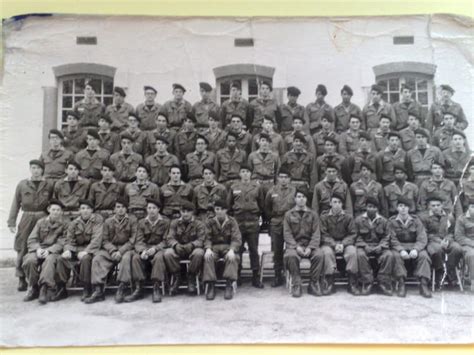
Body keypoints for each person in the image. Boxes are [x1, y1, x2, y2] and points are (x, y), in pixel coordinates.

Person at [8, 160, 53, 291]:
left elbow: (53, 203)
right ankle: (21, 278)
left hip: (43, 216)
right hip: (27, 217)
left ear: (42, 170)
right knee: (22, 247)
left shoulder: (48, 185)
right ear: (30, 169)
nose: (36, 171)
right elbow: (15, 203)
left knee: (44, 244)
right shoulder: (22, 184)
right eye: (33, 168)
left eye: (38, 168)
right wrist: (11, 222)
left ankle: (43, 278)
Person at [85, 198, 138, 304]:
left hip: (126, 249)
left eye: (123, 207)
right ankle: (98, 289)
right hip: (111, 249)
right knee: (98, 258)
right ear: (114, 209)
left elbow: (133, 240)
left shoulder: (132, 220)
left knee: (126, 258)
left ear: (126, 209)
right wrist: (113, 250)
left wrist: (121, 251)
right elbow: (104, 240)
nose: (120, 210)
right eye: (118, 207)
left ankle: (122, 287)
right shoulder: (108, 221)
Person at [56, 199, 103, 301]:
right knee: (61, 259)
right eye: (82, 208)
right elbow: (69, 239)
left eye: (87, 208)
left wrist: (87, 251)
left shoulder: (97, 221)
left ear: (92, 210)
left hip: (91, 250)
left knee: (85, 259)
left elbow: (97, 239)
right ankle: (61, 287)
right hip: (76, 249)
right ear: (79, 211)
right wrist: (68, 250)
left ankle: (86, 287)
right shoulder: (74, 223)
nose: (85, 211)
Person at [22, 200, 68, 304]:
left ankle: (44, 288)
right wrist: (38, 249)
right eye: (53, 210)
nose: (55, 212)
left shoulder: (65, 224)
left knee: (49, 261)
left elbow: (62, 242)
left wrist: (49, 250)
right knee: (29, 260)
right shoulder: (40, 222)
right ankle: (33, 287)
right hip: (38, 249)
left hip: (54, 251)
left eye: (58, 210)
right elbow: (32, 239)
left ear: (61, 212)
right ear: (49, 210)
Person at [228, 164, 265, 288]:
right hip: (238, 223)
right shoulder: (234, 187)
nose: (245, 174)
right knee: (237, 249)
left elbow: (262, 204)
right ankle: (237, 276)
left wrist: (261, 220)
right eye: (243, 171)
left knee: (254, 250)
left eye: (247, 172)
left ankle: (255, 277)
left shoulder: (257, 187)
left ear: (251, 174)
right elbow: (229, 205)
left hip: (252, 222)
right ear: (239, 174)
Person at [389, 196, 432, 298]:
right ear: (397, 208)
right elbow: (392, 239)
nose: (403, 208)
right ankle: (401, 283)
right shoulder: (392, 221)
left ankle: (423, 284)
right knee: (395, 256)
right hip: (399, 246)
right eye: (400, 206)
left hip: (414, 245)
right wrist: (401, 250)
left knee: (424, 256)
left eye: (406, 206)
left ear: (409, 208)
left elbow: (422, 237)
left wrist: (416, 249)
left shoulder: (416, 220)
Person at [283, 189, 323, 297]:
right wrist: (296, 247)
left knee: (319, 255)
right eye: (299, 196)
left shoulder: (313, 214)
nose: (301, 199)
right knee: (291, 256)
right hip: (295, 245)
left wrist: (310, 247)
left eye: (304, 197)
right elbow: (287, 234)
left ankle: (313, 283)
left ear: (306, 199)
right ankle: (297, 284)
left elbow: (316, 233)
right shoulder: (288, 214)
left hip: (310, 245)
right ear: (295, 199)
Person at [128, 198, 170, 303]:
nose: (151, 210)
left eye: (154, 208)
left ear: (159, 209)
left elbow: (166, 240)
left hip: (159, 248)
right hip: (145, 248)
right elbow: (138, 241)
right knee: (136, 258)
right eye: (149, 208)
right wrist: (142, 251)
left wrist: (155, 249)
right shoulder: (141, 222)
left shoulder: (165, 222)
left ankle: (156, 287)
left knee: (159, 257)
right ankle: (139, 287)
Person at [320, 194, 359, 295]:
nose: (337, 205)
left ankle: (352, 282)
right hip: (329, 243)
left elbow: (353, 234)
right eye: (334, 202)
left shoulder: (348, 217)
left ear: (342, 204)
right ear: (330, 203)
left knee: (352, 253)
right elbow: (323, 234)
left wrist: (343, 244)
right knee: (327, 253)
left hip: (345, 243)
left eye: (339, 202)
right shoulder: (324, 217)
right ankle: (329, 282)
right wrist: (334, 244)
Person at [164, 201, 206, 296]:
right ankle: (177, 277)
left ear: (193, 212)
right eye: (183, 211)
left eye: (188, 211)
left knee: (199, 253)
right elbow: (169, 237)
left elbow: (201, 239)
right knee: (168, 253)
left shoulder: (199, 224)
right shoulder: (174, 223)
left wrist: (192, 245)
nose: (185, 214)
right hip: (178, 249)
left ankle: (191, 277)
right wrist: (175, 245)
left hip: (192, 249)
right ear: (180, 212)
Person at [203, 199, 242, 300]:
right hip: (214, 248)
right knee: (208, 257)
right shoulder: (210, 221)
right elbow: (207, 237)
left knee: (233, 257)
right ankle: (211, 285)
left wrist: (232, 250)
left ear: (226, 210)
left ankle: (228, 285)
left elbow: (236, 238)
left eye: (221, 209)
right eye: (216, 209)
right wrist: (208, 248)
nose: (218, 211)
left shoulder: (232, 221)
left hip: (227, 247)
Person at [354, 197, 394, 296]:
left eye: (374, 207)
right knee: (360, 255)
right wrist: (364, 246)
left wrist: (381, 246)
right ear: (365, 207)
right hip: (364, 246)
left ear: (377, 209)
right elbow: (356, 236)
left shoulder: (384, 221)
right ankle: (367, 282)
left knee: (389, 255)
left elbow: (387, 236)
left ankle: (383, 282)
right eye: (369, 207)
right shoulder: (358, 220)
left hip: (379, 246)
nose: (371, 209)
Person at [419, 194, 459, 289]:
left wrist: (447, 240)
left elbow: (452, 231)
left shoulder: (449, 217)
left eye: (438, 205)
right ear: (429, 206)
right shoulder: (424, 217)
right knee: (437, 250)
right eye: (433, 206)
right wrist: (439, 241)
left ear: (442, 205)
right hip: (432, 241)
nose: (436, 208)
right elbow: (424, 233)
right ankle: (439, 273)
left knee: (457, 249)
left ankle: (450, 272)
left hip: (447, 240)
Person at [264, 167, 296, 287]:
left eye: (286, 177)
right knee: (277, 251)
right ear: (277, 178)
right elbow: (267, 208)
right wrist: (272, 218)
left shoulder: (295, 190)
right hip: (276, 222)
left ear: (290, 179)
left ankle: (291, 273)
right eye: (281, 177)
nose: (283, 180)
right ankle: (278, 275)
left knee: (291, 249)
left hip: (292, 223)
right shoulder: (271, 191)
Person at [281, 132, 318, 196]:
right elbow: (282, 172)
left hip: (304, 186)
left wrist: (312, 189)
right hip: (290, 185)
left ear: (304, 144)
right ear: (293, 143)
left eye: (301, 142)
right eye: (296, 141)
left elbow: (313, 173)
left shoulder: (310, 156)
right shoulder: (287, 156)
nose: (298, 143)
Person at [248, 132, 281, 198]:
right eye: (263, 140)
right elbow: (250, 169)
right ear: (259, 142)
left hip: (269, 184)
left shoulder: (275, 156)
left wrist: (276, 184)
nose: (265, 143)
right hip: (256, 183)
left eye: (267, 141)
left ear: (269, 143)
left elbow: (277, 170)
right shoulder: (252, 155)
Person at [453, 199, 474, 288]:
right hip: (467, 245)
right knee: (472, 255)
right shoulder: (461, 219)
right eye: (473, 207)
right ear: (468, 208)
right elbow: (459, 237)